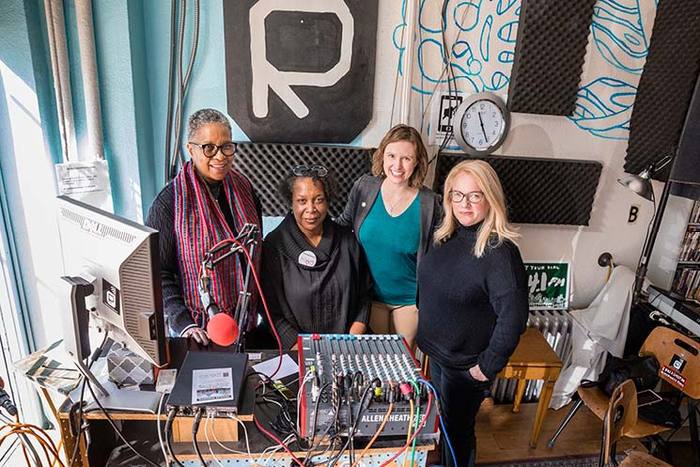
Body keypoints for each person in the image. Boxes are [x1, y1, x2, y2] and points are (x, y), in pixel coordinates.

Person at [416, 160, 528, 467]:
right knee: (445, 425)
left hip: (464, 369)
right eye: (458, 195)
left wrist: (486, 367)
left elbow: (514, 318)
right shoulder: (448, 235)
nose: (465, 204)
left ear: (490, 198)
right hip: (438, 356)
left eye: (475, 195)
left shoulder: (501, 253)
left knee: (457, 433)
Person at [146, 108, 261, 345]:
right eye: (209, 148)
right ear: (191, 149)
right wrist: (183, 324)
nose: (220, 156)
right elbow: (158, 273)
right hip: (200, 334)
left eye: (226, 146)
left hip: (245, 324)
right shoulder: (168, 204)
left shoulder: (245, 188)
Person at [336, 125, 441, 349]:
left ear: (417, 162)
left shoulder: (430, 204)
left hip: (408, 304)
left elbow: (440, 257)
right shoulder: (364, 188)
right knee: (372, 368)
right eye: (392, 155)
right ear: (382, 154)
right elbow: (343, 226)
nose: (397, 165)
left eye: (406, 158)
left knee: (399, 373)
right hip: (368, 300)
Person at [262, 165, 371, 349]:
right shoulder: (274, 246)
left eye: (318, 200)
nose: (311, 209)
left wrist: (349, 342)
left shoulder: (347, 241)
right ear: (291, 202)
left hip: (346, 346)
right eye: (302, 201)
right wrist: (303, 351)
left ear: (328, 201)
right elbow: (270, 310)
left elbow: (364, 295)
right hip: (295, 350)